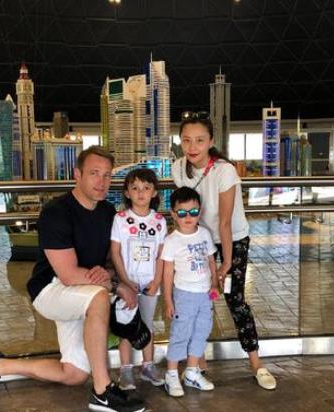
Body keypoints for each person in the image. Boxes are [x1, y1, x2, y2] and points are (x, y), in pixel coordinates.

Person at [0, 146, 146, 412]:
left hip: (85, 291)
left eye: (107, 175)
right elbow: (68, 275)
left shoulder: (108, 213)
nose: (102, 181)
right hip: (51, 290)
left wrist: (109, 273)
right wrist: (117, 286)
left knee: (74, 374)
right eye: (94, 173)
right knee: (99, 297)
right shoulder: (56, 212)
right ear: (77, 175)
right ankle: (103, 392)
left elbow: (111, 261)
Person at [172, 111, 277, 390]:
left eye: (199, 140)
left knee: (235, 299)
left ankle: (256, 363)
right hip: (198, 238)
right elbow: (185, 209)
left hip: (232, 239)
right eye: (186, 140)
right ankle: (197, 364)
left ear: (211, 141)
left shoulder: (224, 170)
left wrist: (226, 263)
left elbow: (225, 221)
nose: (192, 147)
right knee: (195, 298)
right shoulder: (178, 168)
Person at [110, 168, 166, 390]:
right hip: (128, 284)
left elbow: (161, 255)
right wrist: (124, 281)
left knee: (147, 324)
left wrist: (157, 281)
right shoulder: (120, 219)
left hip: (150, 284)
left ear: (154, 192)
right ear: (127, 192)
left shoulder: (159, 221)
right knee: (127, 325)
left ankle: (148, 365)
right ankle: (126, 369)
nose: (141, 193)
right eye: (135, 188)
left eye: (146, 188)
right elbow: (115, 252)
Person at [161, 187, 219, 397]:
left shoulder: (204, 234)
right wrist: (168, 301)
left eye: (193, 212)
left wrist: (214, 285)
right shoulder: (172, 240)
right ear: (173, 214)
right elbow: (167, 273)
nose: (188, 217)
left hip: (205, 294)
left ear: (199, 212)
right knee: (180, 333)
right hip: (184, 295)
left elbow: (211, 260)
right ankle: (171, 374)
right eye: (182, 212)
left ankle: (192, 372)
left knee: (202, 331)